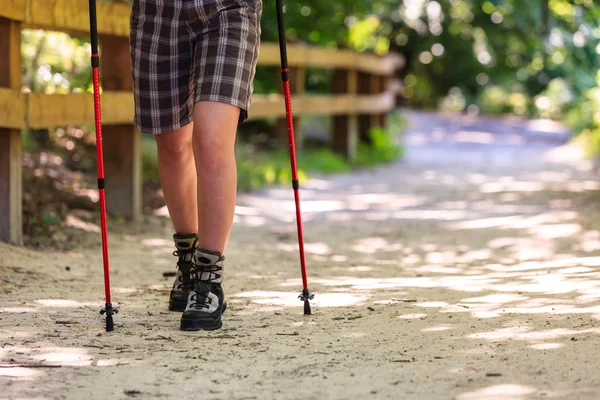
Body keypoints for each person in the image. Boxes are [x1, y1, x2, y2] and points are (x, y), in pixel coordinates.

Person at [129, 0, 262, 331]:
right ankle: (187, 260)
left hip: (230, 9)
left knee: (212, 140)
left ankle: (208, 277)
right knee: (172, 144)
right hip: (156, 11)